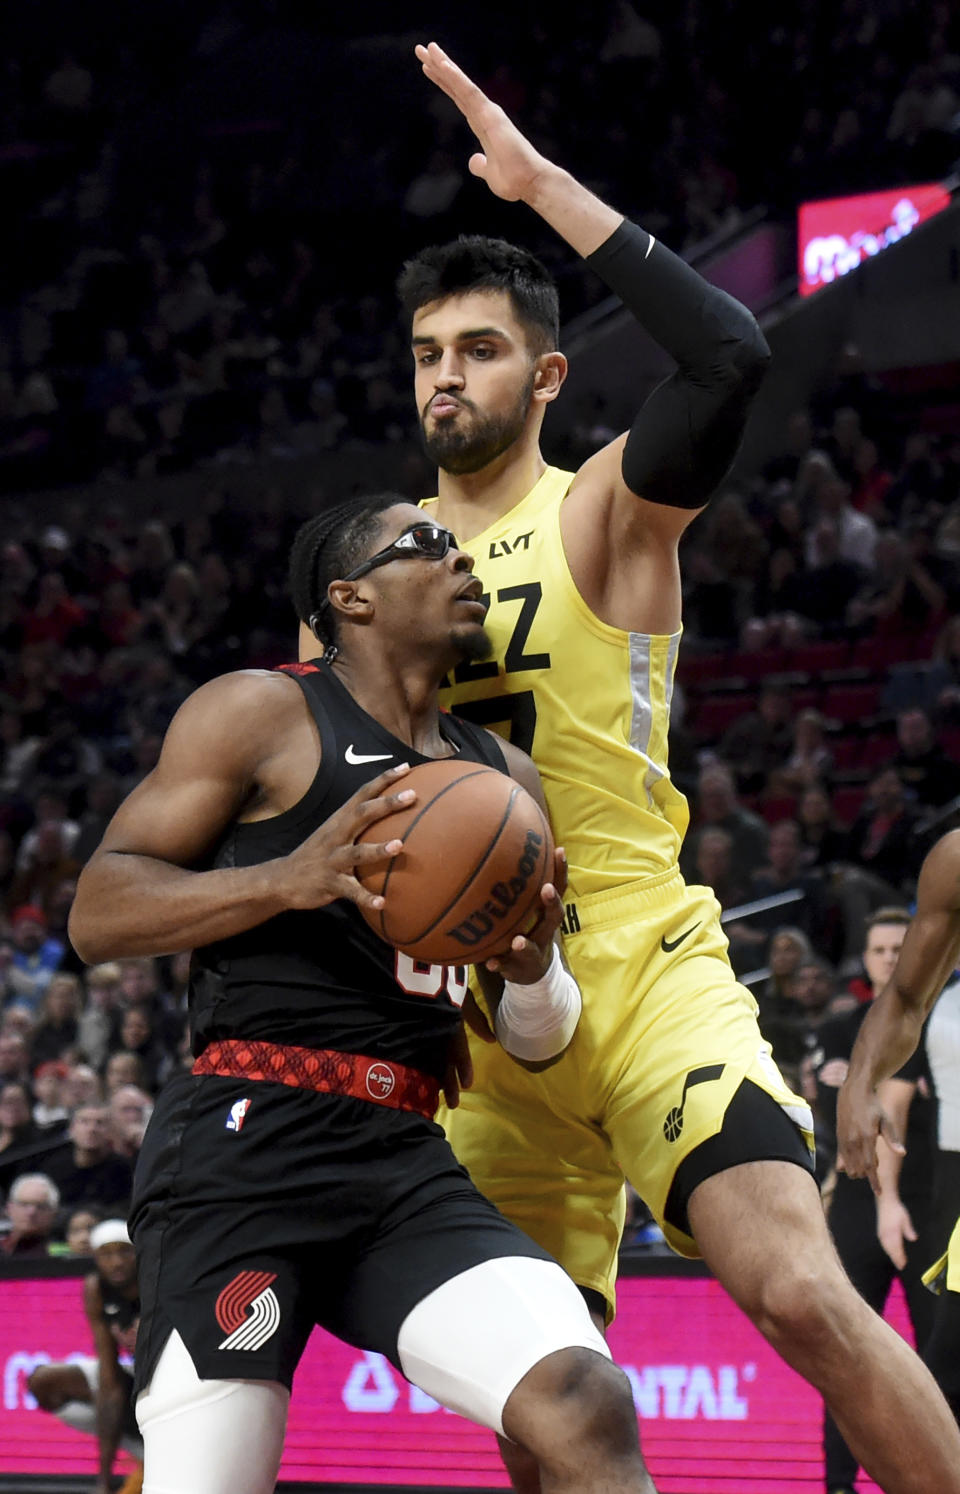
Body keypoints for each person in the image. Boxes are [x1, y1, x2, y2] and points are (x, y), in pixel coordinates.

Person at [321, 41, 960, 1494]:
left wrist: (541, 186)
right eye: (426, 351)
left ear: (545, 374)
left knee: (800, 1291)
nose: (445, 375)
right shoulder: (365, 572)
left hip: (631, 962)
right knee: (548, 1421)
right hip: (468, 1019)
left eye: (477, 348)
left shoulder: (605, 506)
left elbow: (733, 349)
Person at [69, 496, 658, 1494]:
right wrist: (283, 880)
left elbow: (539, 1037)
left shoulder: (502, 775)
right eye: (425, 545)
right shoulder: (261, 711)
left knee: (582, 1402)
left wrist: (528, 970)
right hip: (244, 1146)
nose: (458, 559)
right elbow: (98, 912)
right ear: (350, 598)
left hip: (402, 1156)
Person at [838, 829, 960, 1428]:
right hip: (953, 1175)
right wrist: (860, 1082)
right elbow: (907, 995)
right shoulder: (956, 860)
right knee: (949, 1382)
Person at [813, 908, 936, 1494]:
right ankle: (838, 1483)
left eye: (899, 948)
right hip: (858, 1204)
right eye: (879, 949)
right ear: (864, 960)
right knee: (844, 1360)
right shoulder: (842, 1028)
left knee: (941, 1355)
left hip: (929, 1204)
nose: (889, 957)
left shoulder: (939, 1023)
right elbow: (818, 1104)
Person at [28, 1218, 144, 1494]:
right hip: (135, 1389)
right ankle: (138, 1451)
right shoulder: (96, 1288)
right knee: (45, 1381)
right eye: (106, 1254)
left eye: (124, 1252)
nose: (116, 1262)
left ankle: (149, 1456)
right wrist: (103, 1479)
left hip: (171, 1384)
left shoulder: (155, 1280)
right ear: (95, 1258)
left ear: (139, 1254)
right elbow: (109, 1376)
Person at [0, 1171, 59, 1257]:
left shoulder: (59, 1253)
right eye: (24, 1204)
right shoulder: (2, 1246)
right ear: (9, 1208)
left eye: (40, 1206)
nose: (31, 1212)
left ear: (53, 1212)